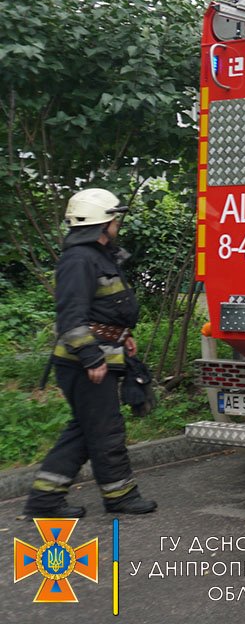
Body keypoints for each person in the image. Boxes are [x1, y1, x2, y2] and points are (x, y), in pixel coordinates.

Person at [22, 189, 157, 519]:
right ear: (103, 223)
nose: (117, 225)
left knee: (85, 430)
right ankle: (120, 496)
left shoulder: (98, 256)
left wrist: (122, 337)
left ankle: (46, 499)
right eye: (114, 219)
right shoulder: (80, 260)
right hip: (82, 363)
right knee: (106, 430)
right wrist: (91, 358)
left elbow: (105, 308)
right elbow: (71, 317)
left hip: (98, 356)